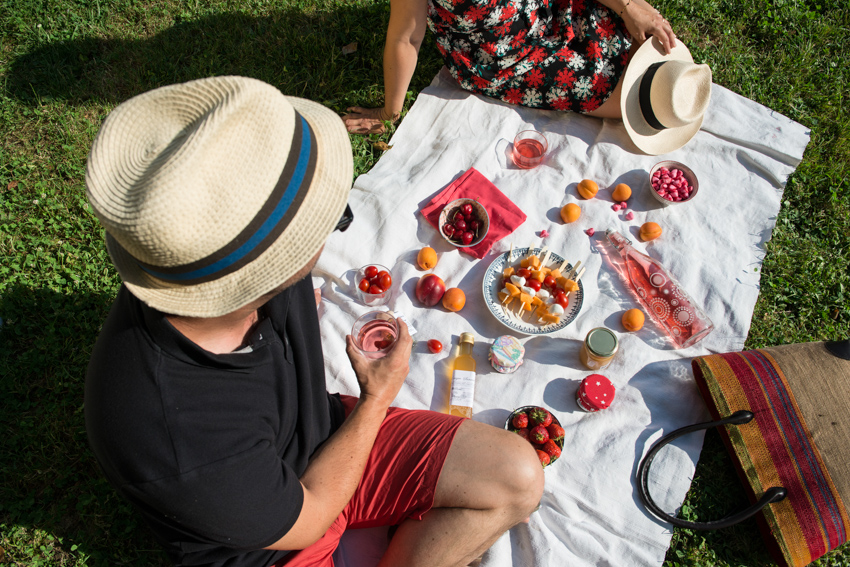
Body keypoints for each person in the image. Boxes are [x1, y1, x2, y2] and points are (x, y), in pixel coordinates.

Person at [84, 75, 544, 567]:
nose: (329, 231)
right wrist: (376, 400)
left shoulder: (208, 257)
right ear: (269, 271)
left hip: (324, 435)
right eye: (328, 221)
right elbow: (313, 516)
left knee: (517, 475)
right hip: (276, 546)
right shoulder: (177, 433)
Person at [342, 0, 677, 134]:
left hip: (546, 8)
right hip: (504, 58)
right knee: (627, 99)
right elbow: (405, 39)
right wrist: (389, 111)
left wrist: (631, 8)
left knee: (633, 37)